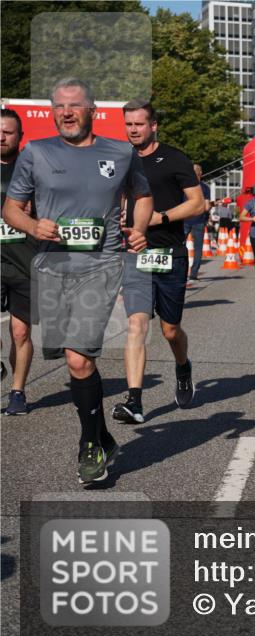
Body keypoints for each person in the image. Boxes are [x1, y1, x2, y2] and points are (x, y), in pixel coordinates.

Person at [3, 77, 151, 484]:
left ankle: (88, 447)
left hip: (100, 265)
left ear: (92, 110)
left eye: (74, 105)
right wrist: (34, 226)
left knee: (78, 357)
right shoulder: (35, 152)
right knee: (75, 365)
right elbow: (11, 209)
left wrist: (138, 228)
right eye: (59, 107)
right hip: (51, 266)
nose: (66, 113)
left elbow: (143, 195)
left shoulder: (120, 152)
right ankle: (102, 436)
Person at [114, 99, 203, 426]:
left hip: (169, 254)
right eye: (129, 124)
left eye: (139, 124)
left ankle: (182, 367)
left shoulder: (174, 158)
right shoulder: (119, 160)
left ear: (153, 126)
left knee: (169, 330)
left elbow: (197, 204)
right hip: (134, 256)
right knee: (137, 324)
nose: (133, 130)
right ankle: (134, 400)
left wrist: (160, 217)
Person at [1, 108, 36, 416]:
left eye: (8, 132)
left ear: (20, 137)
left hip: (25, 262)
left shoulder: (33, 171)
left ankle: (17, 390)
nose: (1, 136)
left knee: (20, 332)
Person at [184, 163, 211, 283]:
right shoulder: (205, 188)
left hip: (184, 219)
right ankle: (194, 274)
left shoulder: (184, 186)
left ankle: (179, 270)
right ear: (201, 173)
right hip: (199, 221)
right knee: (198, 248)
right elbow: (206, 207)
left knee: (179, 245)